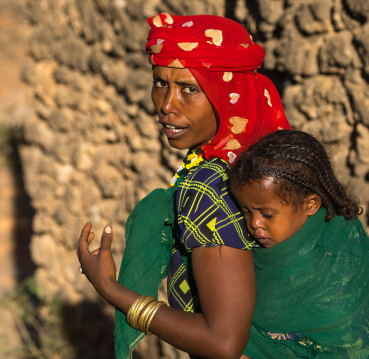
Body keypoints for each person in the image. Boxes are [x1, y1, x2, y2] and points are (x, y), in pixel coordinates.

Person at [77, 13, 290, 359]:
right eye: (160, 83)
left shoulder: (211, 186)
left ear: (229, 93)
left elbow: (224, 342)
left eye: (190, 89)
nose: (166, 105)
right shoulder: (276, 158)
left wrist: (110, 289)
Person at [229, 129, 369, 358]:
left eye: (267, 214)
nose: (254, 224)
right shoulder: (249, 249)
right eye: (245, 211)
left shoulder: (342, 244)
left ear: (311, 205)